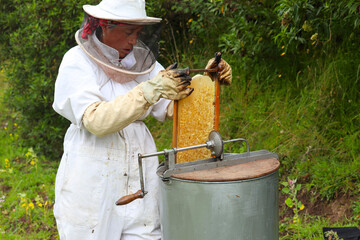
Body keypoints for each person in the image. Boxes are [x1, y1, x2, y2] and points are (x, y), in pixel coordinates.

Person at [52, 0, 232, 239]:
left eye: (137, 33)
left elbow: (176, 108)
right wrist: (149, 91)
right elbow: (97, 122)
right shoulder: (76, 61)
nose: (134, 41)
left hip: (141, 172)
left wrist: (209, 80)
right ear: (106, 26)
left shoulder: (143, 64)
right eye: (128, 32)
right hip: (93, 174)